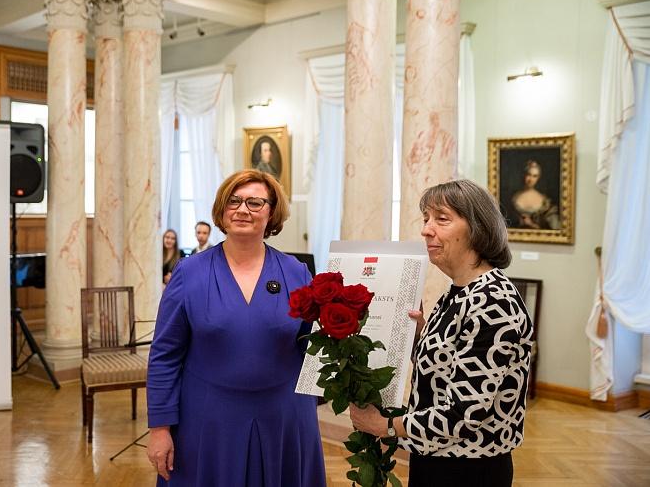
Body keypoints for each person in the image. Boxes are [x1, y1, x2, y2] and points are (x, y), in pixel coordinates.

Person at [145, 169, 326, 487]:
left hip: (284, 418)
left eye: (255, 203)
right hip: (207, 420)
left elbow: (315, 346)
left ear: (271, 213)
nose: (243, 210)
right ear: (221, 209)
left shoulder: (297, 273)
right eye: (234, 201)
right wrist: (160, 427)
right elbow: (164, 355)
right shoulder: (189, 273)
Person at [350, 179, 533, 487]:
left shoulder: (492, 301)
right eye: (425, 219)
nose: (426, 229)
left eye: (442, 218)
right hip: (437, 459)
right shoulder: (459, 292)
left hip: (469, 469)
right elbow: (447, 369)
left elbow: (464, 414)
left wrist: (386, 426)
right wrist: (417, 335)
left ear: (477, 228)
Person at [511, 160, 560, 230]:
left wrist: (531, 224)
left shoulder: (545, 201)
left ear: (538, 178)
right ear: (523, 175)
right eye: (528, 174)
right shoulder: (513, 198)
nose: (530, 179)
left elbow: (554, 230)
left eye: (535, 176)